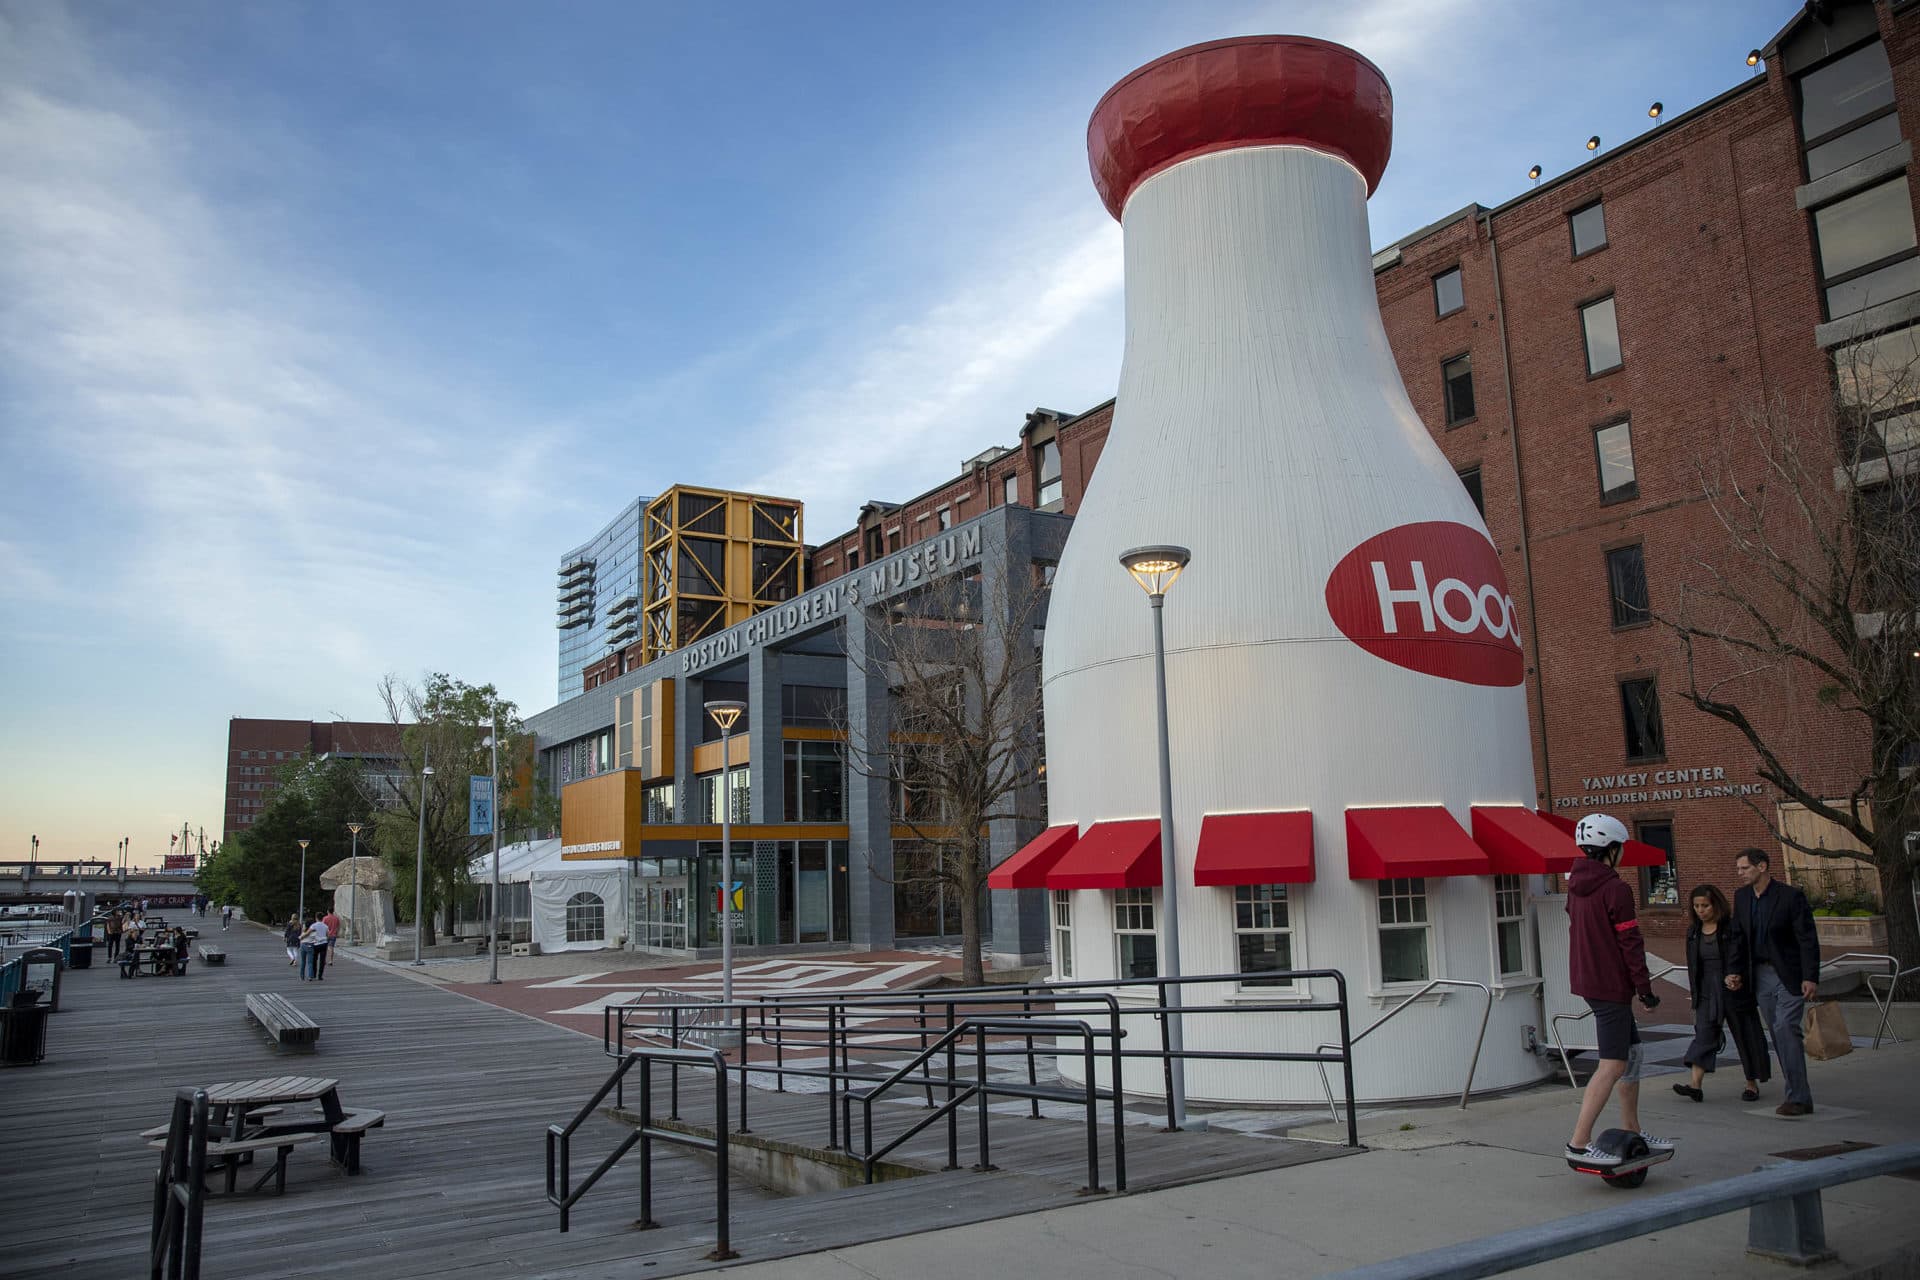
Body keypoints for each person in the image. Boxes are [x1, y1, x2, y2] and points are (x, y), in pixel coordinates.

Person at [1564, 812, 1675, 1166]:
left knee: (1632, 1056)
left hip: (1589, 979)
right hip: (1610, 984)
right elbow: (1630, 942)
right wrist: (1645, 989)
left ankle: (1633, 1128)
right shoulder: (1616, 888)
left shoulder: (1575, 885)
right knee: (1612, 1065)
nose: (1623, 853)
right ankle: (1579, 1143)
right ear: (1610, 849)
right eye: (1620, 847)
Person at [1734, 848, 1821, 1116]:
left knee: (1785, 1028)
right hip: (1760, 976)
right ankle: (1796, 1091)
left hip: (1788, 974)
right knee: (1777, 1033)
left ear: (1762, 867)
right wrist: (1734, 970)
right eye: (1738, 869)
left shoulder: (1790, 897)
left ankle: (1798, 1098)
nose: (1740, 874)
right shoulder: (1742, 897)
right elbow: (1738, 937)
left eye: (1744, 868)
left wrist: (1810, 976)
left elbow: (1807, 937)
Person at [1674, 883, 1770, 1103]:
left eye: (1705, 905)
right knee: (1704, 1034)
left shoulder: (1730, 927)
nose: (1701, 910)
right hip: (1706, 989)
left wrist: (1737, 975)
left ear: (1715, 905)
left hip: (1732, 988)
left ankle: (1751, 1083)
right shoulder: (1694, 932)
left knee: (1745, 1035)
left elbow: (1741, 954)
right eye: (1697, 906)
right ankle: (1695, 1085)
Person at [307, 913, 332, 981]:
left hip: (315, 944)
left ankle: (314, 974)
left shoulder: (313, 925)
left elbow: (308, 933)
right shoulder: (325, 926)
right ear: (322, 918)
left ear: (316, 918)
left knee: (314, 959)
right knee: (322, 960)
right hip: (323, 943)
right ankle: (320, 976)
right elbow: (328, 935)